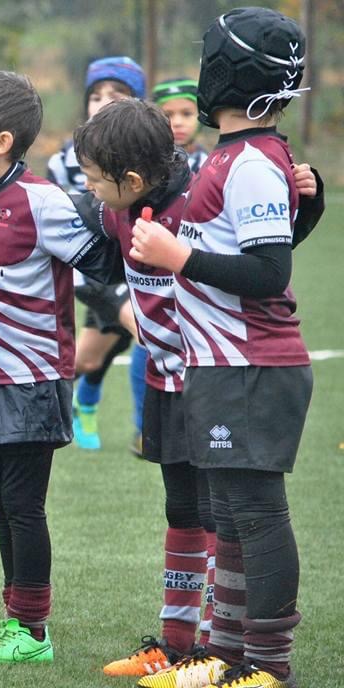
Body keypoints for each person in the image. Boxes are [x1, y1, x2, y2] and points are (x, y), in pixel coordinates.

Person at [71, 97, 322, 681]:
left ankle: (216, 645)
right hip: (165, 376)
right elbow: (74, 234)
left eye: (96, 179)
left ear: (132, 179)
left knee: (222, 517)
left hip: (214, 376)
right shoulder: (119, 207)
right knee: (183, 509)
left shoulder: (198, 202)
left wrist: (308, 204)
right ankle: (176, 641)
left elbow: (264, 259)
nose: (90, 190)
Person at [131, 8, 313, 688]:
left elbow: (268, 272)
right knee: (231, 517)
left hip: (252, 366)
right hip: (221, 366)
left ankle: (268, 664)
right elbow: (257, 244)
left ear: (229, 74)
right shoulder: (237, 155)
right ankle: (228, 654)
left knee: (257, 516)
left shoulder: (252, 161)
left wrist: (178, 256)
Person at [0, 69, 124, 665]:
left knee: (22, 507)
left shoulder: (41, 202)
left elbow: (104, 264)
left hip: (32, 380)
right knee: (2, 506)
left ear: (1, 142)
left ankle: (33, 630)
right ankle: (15, 619)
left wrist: (125, 309)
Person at [48, 56, 148, 455]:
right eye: (96, 96)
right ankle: (148, 430)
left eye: (117, 95)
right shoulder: (64, 161)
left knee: (93, 358)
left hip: (138, 266)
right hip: (92, 273)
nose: (104, 102)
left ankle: (81, 402)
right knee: (148, 330)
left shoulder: (151, 156)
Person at [152, 77, 208, 173]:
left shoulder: (211, 166)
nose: (178, 123)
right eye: (167, 115)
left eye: (187, 114)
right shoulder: (146, 166)